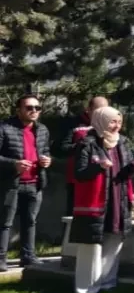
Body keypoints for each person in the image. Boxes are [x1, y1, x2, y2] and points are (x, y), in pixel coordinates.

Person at [70, 106, 134, 293]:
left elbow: (124, 173)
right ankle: (85, 288)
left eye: (119, 122)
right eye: (113, 121)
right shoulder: (87, 143)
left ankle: (107, 283)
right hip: (94, 202)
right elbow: (79, 174)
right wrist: (98, 167)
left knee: (114, 242)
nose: (116, 126)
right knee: (92, 247)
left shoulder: (123, 142)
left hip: (117, 198)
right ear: (101, 121)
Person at [0, 95, 53, 271]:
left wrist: (46, 160)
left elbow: (45, 151)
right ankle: (1, 259)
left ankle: (28, 256)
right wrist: (13, 164)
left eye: (37, 108)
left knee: (30, 221)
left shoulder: (43, 129)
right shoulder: (5, 128)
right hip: (10, 183)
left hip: (34, 182)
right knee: (5, 222)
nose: (34, 111)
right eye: (29, 108)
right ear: (18, 110)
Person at [62, 95, 109, 216]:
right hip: (76, 179)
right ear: (88, 109)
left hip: (101, 179)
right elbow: (62, 148)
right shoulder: (74, 125)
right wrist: (80, 147)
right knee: (73, 215)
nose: (102, 114)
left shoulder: (110, 125)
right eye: (98, 110)